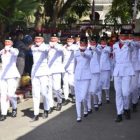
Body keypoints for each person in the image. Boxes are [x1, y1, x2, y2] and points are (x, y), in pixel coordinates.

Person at [113, 31, 135, 122]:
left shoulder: (130, 45)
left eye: (125, 35)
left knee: (125, 92)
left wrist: (129, 42)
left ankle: (126, 108)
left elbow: (132, 48)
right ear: (119, 36)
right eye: (121, 35)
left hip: (127, 71)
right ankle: (119, 113)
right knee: (118, 93)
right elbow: (114, 58)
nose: (123, 37)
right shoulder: (114, 46)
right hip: (117, 71)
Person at [31, 32, 50, 121]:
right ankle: (36, 113)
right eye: (36, 39)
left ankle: (46, 109)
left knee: (44, 92)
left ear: (42, 40)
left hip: (43, 73)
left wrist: (43, 47)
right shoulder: (33, 47)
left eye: (39, 39)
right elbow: (33, 49)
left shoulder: (46, 46)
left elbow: (46, 49)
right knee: (35, 93)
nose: (37, 40)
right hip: (34, 73)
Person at [0, 37, 20, 121]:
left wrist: (9, 49)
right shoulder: (1, 51)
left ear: (12, 43)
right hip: (2, 75)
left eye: (9, 42)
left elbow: (15, 53)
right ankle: (3, 113)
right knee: (2, 94)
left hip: (11, 75)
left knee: (11, 94)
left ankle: (14, 108)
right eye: (6, 42)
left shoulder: (15, 50)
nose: (7, 43)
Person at [74, 37, 92, 122]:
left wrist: (83, 53)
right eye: (81, 43)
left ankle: (85, 108)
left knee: (84, 95)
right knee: (78, 97)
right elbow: (74, 63)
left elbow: (89, 56)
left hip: (86, 77)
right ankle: (78, 115)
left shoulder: (89, 51)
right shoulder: (76, 52)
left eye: (84, 44)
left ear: (86, 44)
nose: (82, 45)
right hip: (77, 77)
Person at [48, 33, 65, 111]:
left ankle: (59, 101)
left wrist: (54, 45)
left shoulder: (60, 46)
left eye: (55, 38)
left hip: (57, 70)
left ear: (58, 39)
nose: (53, 40)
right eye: (52, 38)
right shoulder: (48, 46)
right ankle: (50, 105)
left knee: (56, 88)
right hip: (48, 70)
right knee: (49, 88)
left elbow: (60, 49)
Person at [62, 35, 77, 105]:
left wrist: (69, 48)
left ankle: (74, 94)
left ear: (73, 41)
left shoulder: (75, 46)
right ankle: (66, 98)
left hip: (72, 67)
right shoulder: (64, 47)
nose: (69, 41)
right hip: (64, 67)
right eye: (68, 40)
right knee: (65, 83)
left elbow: (74, 48)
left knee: (71, 82)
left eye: (71, 40)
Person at [88, 36, 102, 111]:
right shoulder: (87, 50)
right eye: (91, 42)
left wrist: (95, 48)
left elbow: (99, 52)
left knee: (93, 90)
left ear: (96, 43)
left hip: (96, 72)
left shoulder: (99, 49)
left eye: (93, 42)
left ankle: (96, 102)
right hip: (88, 72)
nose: (92, 43)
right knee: (89, 90)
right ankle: (90, 106)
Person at [98, 37, 111, 105]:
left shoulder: (108, 48)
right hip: (99, 69)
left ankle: (107, 97)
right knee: (99, 85)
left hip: (106, 69)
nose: (103, 42)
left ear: (106, 42)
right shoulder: (98, 47)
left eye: (104, 41)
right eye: (102, 41)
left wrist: (102, 49)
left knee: (106, 84)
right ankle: (99, 100)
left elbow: (108, 51)